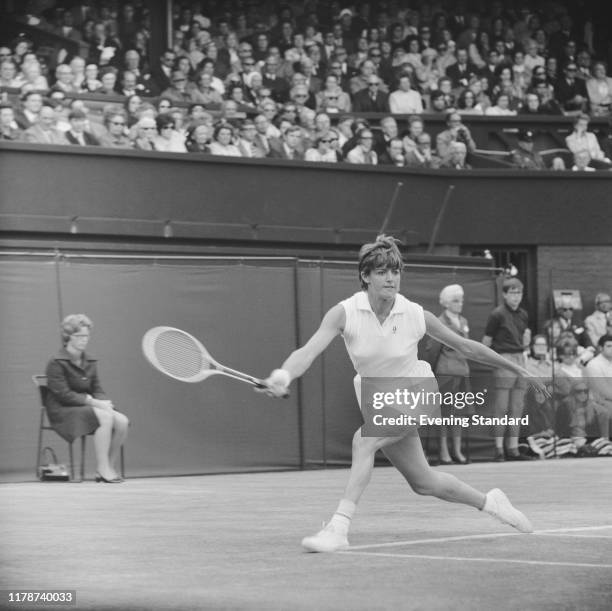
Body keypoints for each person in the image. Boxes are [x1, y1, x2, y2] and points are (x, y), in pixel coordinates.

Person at [260, 236, 543, 552]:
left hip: (417, 392)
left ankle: (339, 527)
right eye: (382, 272)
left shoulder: (414, 313)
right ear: (366, 276)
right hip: (379, 399)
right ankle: (491, 502)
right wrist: (283, 374)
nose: (391, 278)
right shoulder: (344, 313)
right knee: (424, 482)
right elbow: (308, 351)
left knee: (364, 441)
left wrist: (519, 369)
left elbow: (465, 346)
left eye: (395, 271)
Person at [45, 314, 129, 483]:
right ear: (68, 337)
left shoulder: (90, 361)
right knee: (105, 417)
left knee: (122, 421)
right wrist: (93, 402)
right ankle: (103, 468)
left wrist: (104, 403)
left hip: (87, 407)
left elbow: (96, 388)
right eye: (79, 336)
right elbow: (64, 395)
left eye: (87, 336)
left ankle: (107, 467)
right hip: (63, 411)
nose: (84, 340)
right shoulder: (55, 362)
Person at [482, 277, 532, 462]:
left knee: (517, 407)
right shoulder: (497, 314)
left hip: (520, 358)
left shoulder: (524, 314)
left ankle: (513, 448)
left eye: (519, 292)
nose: (516, 297)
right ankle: (498, 448)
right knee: (501, 407)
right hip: (504, 358)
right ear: (504, 294)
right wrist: (495, 361)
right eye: (512, 293)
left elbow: (524, 338)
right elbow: (486, 342)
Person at [425, 284, 471, 465]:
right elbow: (433, 349)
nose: (460, 304)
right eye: (455, 300)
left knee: (458, 414)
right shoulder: (439, 322)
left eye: (461, 300)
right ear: (445, 303)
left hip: (462, 373)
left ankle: (457, 451)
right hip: (445, 373)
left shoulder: (464, 321)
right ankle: (444, 452)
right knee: (444, 414)